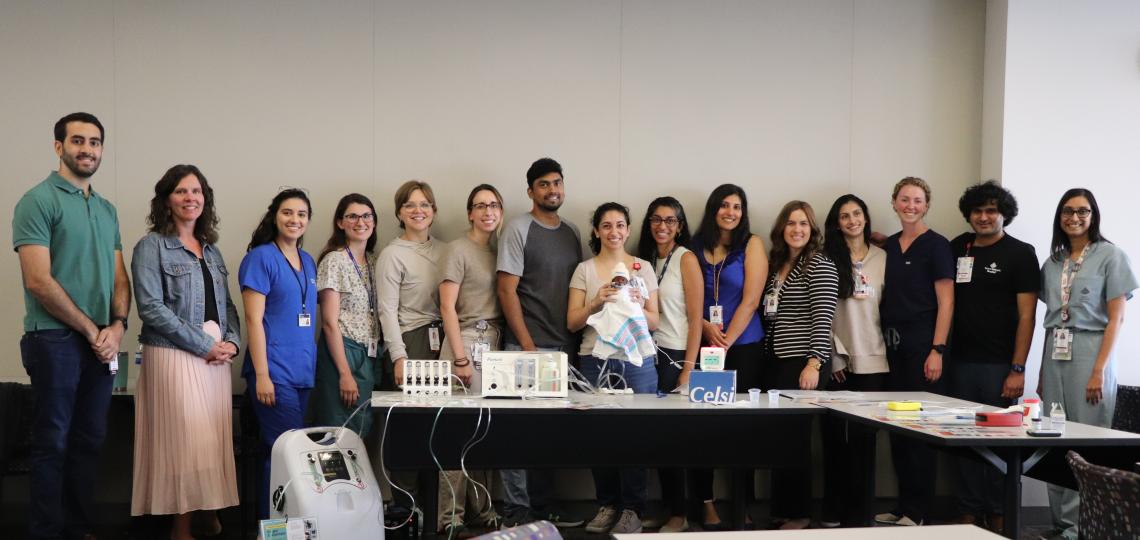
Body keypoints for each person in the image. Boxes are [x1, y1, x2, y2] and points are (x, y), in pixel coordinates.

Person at [13, 112, 131, 540]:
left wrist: (116, 326)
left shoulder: (106, 208)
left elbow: (120, 278)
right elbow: (38, 280)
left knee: (89, 442)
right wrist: (90, 329)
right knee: (53, 443)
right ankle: (46, 532)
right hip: (54, 340)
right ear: (58, 146)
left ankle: (80, 529)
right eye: (78, 141)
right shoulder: (38, 200)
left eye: (95, 142)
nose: (88, 149)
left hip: (102, 341)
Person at [129, 165, 240, 539]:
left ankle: (206, 510)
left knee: (211, 440)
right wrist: (204, 344)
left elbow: (227, 305)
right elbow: (150, 307)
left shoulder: (212, 249)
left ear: (204, 198)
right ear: (166, 200)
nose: (190, 197)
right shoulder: (151, 246)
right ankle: (181, 527)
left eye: (196, 191)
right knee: (185, 442)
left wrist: (232, 343)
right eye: (180, 191)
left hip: (215, 357)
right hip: (174, 353)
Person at [1038, 188, 1136, 540]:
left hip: (1091, 350)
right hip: (1055, 352)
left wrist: (1098, 370)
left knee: (1086, 438)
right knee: (1053, 436)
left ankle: (1083, 526)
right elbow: (1049, 319)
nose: (1074, 217)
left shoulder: (1111, 256)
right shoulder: (1053, 261)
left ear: (1094, 215)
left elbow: (1116, 320)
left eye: (1083, 211)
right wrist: (1040, 373)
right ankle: (1061, 524)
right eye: (1067, 210)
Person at [496, 157, 585, 528]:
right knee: (518, 437)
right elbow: (506, 289)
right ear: (531, 191)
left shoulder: (573, 232)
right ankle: (516, 512)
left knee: (551, 437)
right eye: (544, 184)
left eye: (557, 183)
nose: (553, 190)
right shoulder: (518, 228)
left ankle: (545, 507)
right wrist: (527, 344)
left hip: (565, 348)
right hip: (527, 348)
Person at [946, 181, 1039, 533]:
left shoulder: (1020, 253)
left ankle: (999, 512)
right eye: (977, 211)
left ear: (1004, 214)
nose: (983, 217)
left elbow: (1027, 317)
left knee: (999, 445)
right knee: (964, 441)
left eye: (990, 211)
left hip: (1001, 366)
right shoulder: (959, 247)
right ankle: (969, 511)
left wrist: (1018, 369)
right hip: (960, 363)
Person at [571, 203, 660, 535]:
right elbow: (572, 321)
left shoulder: (643, 267)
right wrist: (596, 301)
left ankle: (632, 508)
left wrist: (637, 304)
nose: (613, 231)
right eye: (606, 226)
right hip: (594, 360)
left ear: (628, 229)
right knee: (599, 436)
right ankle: (607, 505)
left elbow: (655, 320)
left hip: (635, 361)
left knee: (637, 435)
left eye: (620, 225)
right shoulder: (585, 269)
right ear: (596, 231)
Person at [875, 177, 954, 527]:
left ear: (926, 205)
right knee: (897, 425)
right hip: (891, 347)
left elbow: (946, 302)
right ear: (894, 203)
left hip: (924, 346)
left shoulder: (937, 246)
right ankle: (902, 506)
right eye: (904, 199)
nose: (910, 205)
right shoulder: (889, 246)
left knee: (920, 429)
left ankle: (918, 511)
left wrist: (937, 349)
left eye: (917, 200)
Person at [690, 183, 767, 529]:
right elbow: (684, 296)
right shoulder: (693, 246)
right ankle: (705, 503)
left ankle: (742, 502)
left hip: (745, 347)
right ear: (713, 209)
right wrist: (705, 326)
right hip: (702, 345)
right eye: (724, 205)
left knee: (743, 429)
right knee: (701, 429)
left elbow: (752, 300)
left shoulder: (752, 244)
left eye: (737, 206)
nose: (730, 212)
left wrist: (726, 341)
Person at [239, 188, 318, 519]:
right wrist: (262, 375)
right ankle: (274, 527)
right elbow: (253, 320)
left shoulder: (309, 261)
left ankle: (286, 526)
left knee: (290, 451)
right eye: (288, 212)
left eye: (301, 214)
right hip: (273, 373)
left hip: (302, 371)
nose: (294, 219)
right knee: (285, 452)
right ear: (275, 216)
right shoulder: (261, 258)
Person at [760, 201, 838, 530]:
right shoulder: (777, 263)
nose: (797, 229)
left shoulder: (819, 264)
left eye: (804, 224)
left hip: (802, 363)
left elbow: (824, 318)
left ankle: (800, 514)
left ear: (812, 229)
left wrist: (815, 363)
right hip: (775, 361)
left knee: (798, 440)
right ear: (782, 228)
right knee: (779, 439)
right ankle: (783, 507)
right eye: (791, 223)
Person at [436, 184, 506, 537]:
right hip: (465, 341)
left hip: (494, 344)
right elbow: (446, 305)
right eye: (480, 206)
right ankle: (451, 519)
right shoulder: (457, 249)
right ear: (469, 213)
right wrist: (460, 358)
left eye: (494, 205)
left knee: (483, 433)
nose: (487, 211)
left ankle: (483, 512)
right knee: (458, 433)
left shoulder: (499, 250)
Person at [820, 194, 888, 528]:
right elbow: (822, 312)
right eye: (844, 216)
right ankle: (833, 508)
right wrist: (833, 358)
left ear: (865, 217)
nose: (852, 221)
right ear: (836, 223)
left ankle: (860, 513)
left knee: (865, 442)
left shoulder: (883, 257)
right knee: (834, 439)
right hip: (839, 361)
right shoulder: (827, 257)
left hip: (874, 360)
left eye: (857, 213)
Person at [635, 197, 703, 533]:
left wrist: (688, 369)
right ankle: (667, 509)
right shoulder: (643, 260)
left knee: (676, 439)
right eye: (657, 220)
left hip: (676, 356)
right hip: (647, 354)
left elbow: (695, 318)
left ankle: (681, 513)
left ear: (680, 225)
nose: (663, 226)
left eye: (671, 220)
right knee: (654, 438)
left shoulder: (685, 259)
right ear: (649, 223)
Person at [312, 194, 380, 436]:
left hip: (369, 355)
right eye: (352, 216)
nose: (360, 222)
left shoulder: (373, 261)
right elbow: (329, 323)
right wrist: (344, 373)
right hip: (343, 352)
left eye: (366, 216)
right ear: (340, 223)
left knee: (360, 430)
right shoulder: (334, 261)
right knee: (339, 431)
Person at [378, 180, 445, 389]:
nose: (418, 210)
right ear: (399, 213)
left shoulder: (447, 251)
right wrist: (399, 357)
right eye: (409, 205)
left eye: (425, 204)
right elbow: (386, 310)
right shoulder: (392, 255)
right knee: (413, 418)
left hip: (444, 342)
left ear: (433, 210)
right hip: (411, 342)